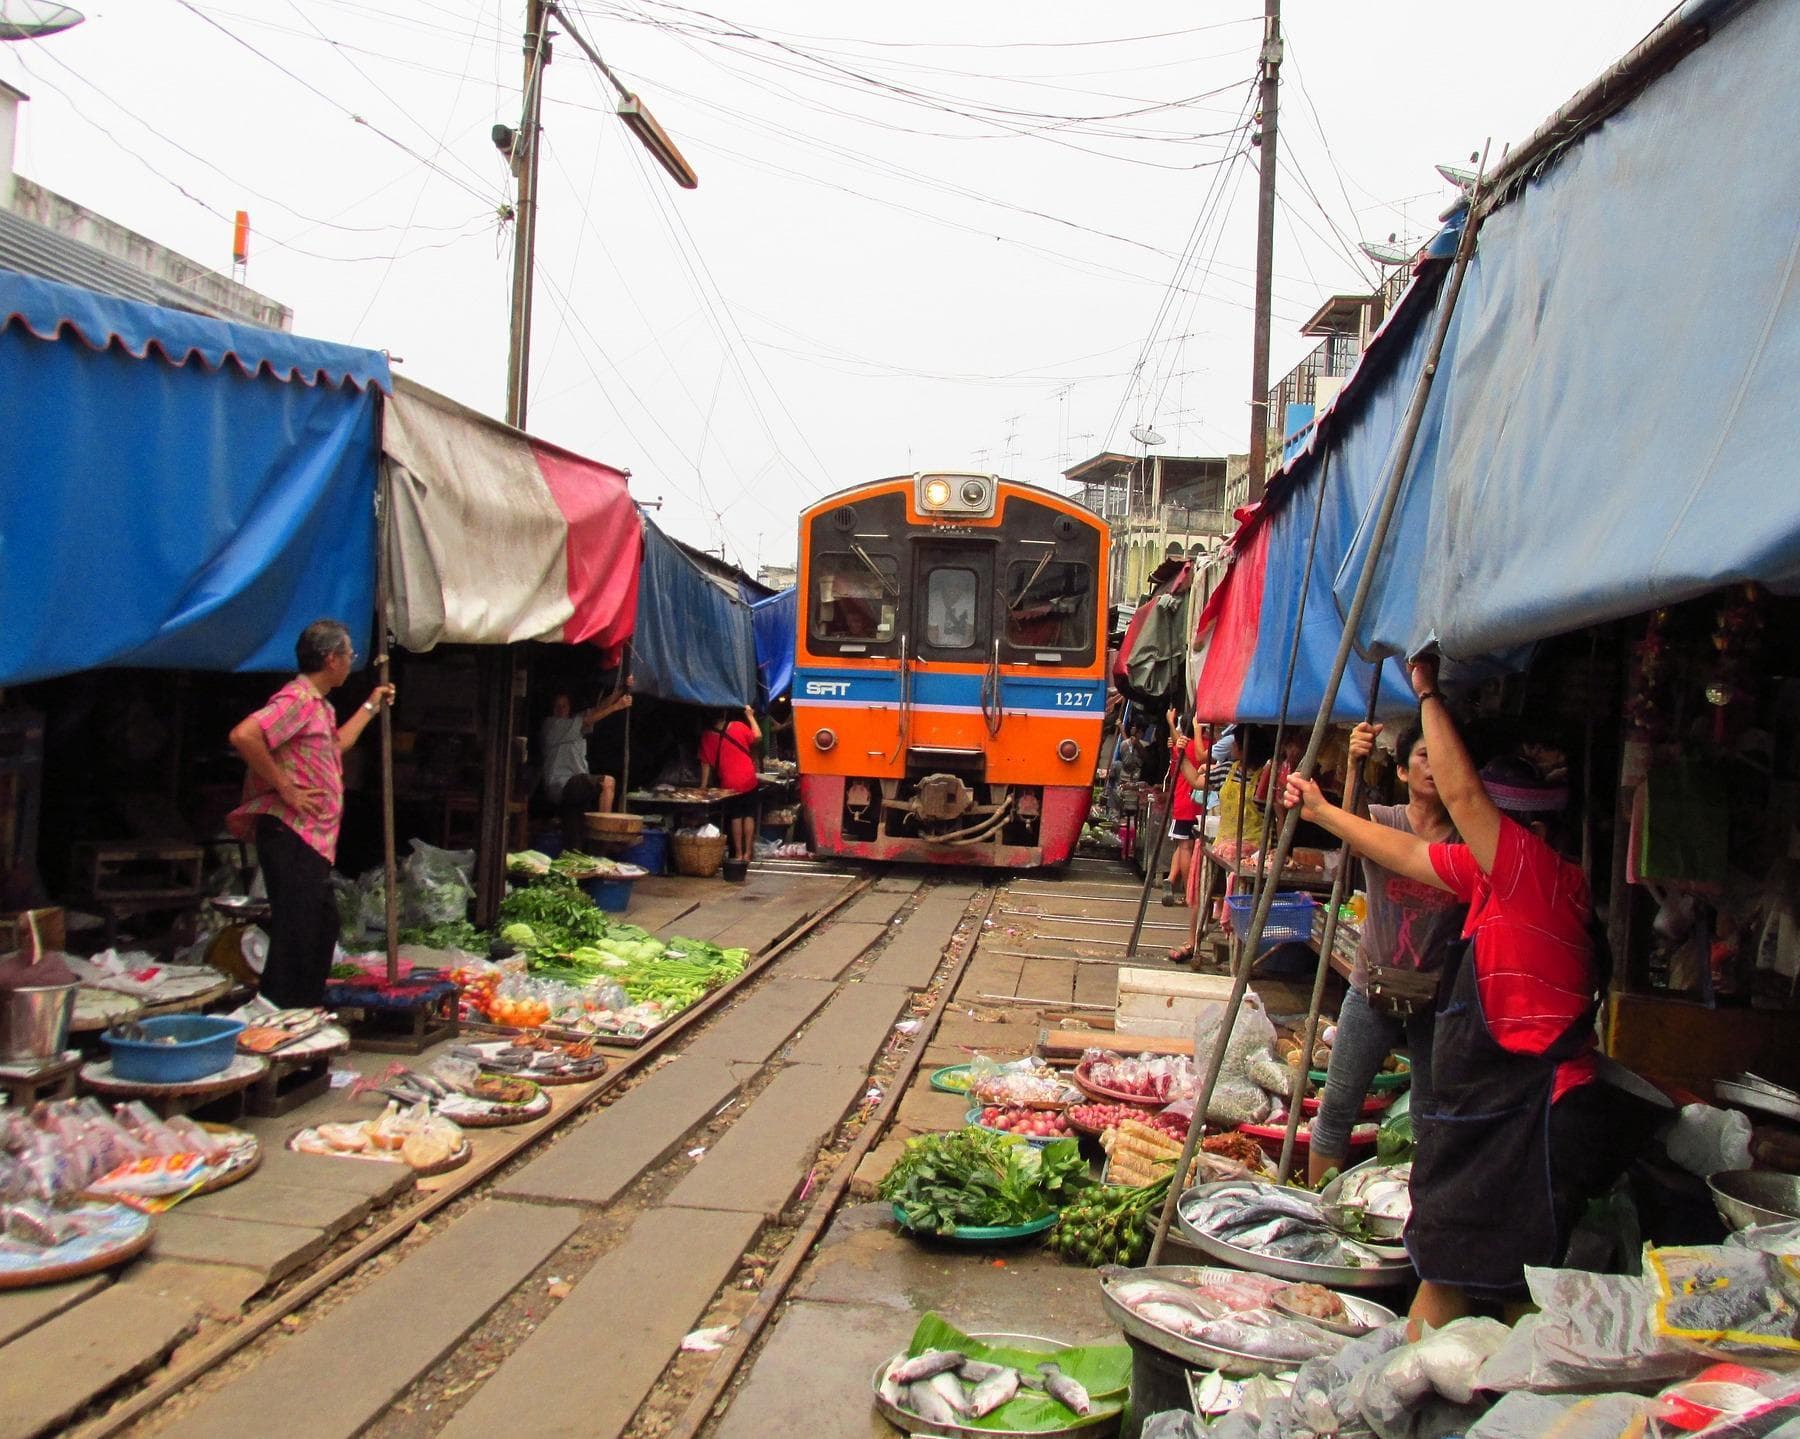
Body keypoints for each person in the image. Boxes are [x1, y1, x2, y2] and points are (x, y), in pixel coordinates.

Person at [1285, 658, 1639, 1336]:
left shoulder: (1535, 872)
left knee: (1495, 1283)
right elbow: (1404, 853)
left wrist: (1426, 692)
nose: (1473, 826)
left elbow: (1466, 800)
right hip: (1496, 1111)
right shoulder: (1492, 874)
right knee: (1475, 1276)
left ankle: (1469, 1378)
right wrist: (1325, 811)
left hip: (1532, 1116)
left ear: (1527, 827)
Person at [1306, 720, 1465, 1187]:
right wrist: (1354, 762)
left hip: (1437, 996)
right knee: (1338, 1107)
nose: (1434, 767)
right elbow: (1348, 824)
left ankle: (1418, 1208)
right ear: (1401, 770)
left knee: (1429, 1116)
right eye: (1423, 756)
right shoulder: (1383, 821)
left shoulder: (1466, 837)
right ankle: (1314, 1204)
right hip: (1372, 985)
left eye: (1443, 758)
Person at [228, 619, 393, 1008]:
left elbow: (337, 745)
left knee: (320, 925)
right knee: (297, 931)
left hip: (312, 838)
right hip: (291, 832)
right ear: (331, 658)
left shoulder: (319, 706)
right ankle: (280, 1012)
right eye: (349, 654)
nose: (351, 660)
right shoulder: (298, 700)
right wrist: (285, 787)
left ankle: (303, 1007)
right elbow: (244, 735)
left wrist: (372, 704)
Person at [540, 687, 633, 854]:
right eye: (557, 706)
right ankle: (604, 836)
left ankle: (586, 856)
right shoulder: (552, 725)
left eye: (564, 706)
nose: (560, 710)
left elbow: (597, 710)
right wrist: (616, 707)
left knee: (575, 841)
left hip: (575, 789)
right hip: (562, 784)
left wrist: (620, 690)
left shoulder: (574, 724)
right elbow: (589, 720)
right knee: (607, 782)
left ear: (569, 708)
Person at [699, 705, 763, 863]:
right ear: (725, 714)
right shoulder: (738, 726)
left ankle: (738, 854)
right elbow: (758, 736)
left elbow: (706, 764)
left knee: (736, 816)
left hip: (729, 783)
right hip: (748, 778)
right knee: (749, 815)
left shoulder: (707, 736)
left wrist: (703, 787)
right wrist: (750, 716)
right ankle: (748, 853)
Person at [1161, 709, 1205, 906]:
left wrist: (1170, 723)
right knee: (1189, 846)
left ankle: (1188, 892)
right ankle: (1174, 880)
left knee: (1185, 846)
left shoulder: (1184, 746)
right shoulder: (1207, 747)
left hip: (1184, 801)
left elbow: (1178, 750)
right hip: (1201, 805)